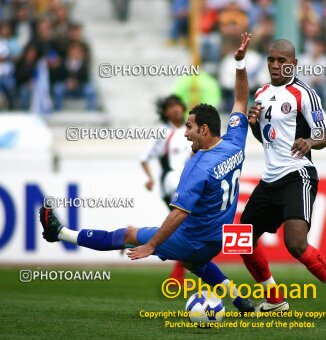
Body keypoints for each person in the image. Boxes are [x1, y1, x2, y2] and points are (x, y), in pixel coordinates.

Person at [40, 33, 255, 312]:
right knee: (194, 262)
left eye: (189, 127)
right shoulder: (235, 141)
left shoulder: (198, 167)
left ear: (204, 129)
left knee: (129, 233)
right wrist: (240, 64)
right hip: (217, 238)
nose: (186, 132)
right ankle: (239, 300)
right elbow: (240, 100)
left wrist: (152, 245)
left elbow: (178, 213)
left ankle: (61, 233)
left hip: (193, 238)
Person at [241, 39, 326, 320]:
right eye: (271, 60)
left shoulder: (305, 94)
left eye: (282, 61)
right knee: (241, 240)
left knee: (295, 245)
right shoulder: (261, 93)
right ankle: (275, 300)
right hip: (270, 178)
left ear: (293, 64)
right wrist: (254, 125)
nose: (276, 66)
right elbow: (265, 139)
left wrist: (309, 141)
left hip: (298, 174)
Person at [140, 94, 192, 284]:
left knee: (184, 229)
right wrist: (150, 178)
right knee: (185, 226)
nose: (176, 108)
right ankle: (178, 273)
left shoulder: (191, 129)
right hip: (171, 183)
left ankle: (130, 238)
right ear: (165, 112)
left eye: (178, 104)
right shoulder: (162, 133)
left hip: (189, 184)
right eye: (171, 106)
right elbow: (144, 158)